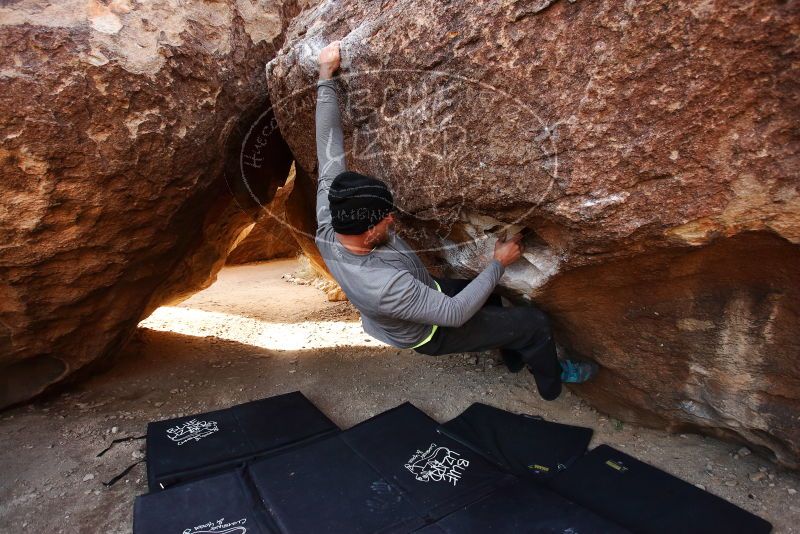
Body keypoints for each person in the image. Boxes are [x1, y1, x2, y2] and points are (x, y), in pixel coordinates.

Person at [313, 41, 596, 400]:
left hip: (419, 290)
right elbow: (455, 313)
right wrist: (498, 263)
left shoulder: (331, 216)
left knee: (490, 296)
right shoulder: (382, 286)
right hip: (432, 331)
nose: (392, 220)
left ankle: (512, 355)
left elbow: (328, 147)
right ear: (369, 232)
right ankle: (554, 383)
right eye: (386, 220)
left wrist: (325, 74)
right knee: (534, 323)